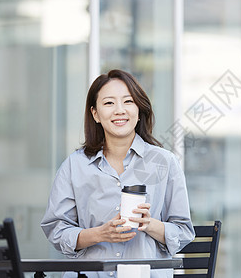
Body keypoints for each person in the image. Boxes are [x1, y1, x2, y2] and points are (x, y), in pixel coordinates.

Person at [41, 69, 195, 278]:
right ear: (95, 113)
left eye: (128, 101)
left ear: (139, 110)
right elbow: (56, 229)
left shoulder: (164, 162)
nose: (119, 110)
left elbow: (183, 231)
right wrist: (99, 234)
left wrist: (149, 224)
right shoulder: (74, 165)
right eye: (109, 103)